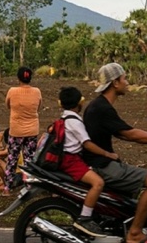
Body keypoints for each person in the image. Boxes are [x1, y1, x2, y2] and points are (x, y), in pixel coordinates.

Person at [82, 63, 147, 243]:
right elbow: (130, 134)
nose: (127, 82)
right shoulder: (102, 108)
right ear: (115, 83)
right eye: (124, 78)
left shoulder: (99, 105)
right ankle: (135, 233)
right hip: (102, 166)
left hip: (100, 162)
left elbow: (122, 133)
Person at [57, 86, 119, 237]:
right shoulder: (75, 122)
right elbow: (87, 144)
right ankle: (84, 218)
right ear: (80, 102)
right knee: (98, 183)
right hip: (71, 161)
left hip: (69, 159)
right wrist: (108, 154)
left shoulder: (64, 118)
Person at [2, 66, 42, 196]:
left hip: (16, 130)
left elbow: (8, 105)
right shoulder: (37, 91)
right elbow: (38, 107)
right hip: (32, 130)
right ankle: (30, 187)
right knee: (29, 159)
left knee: (12, 159)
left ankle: (7, 188)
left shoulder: (12, 91)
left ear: (18, 78)